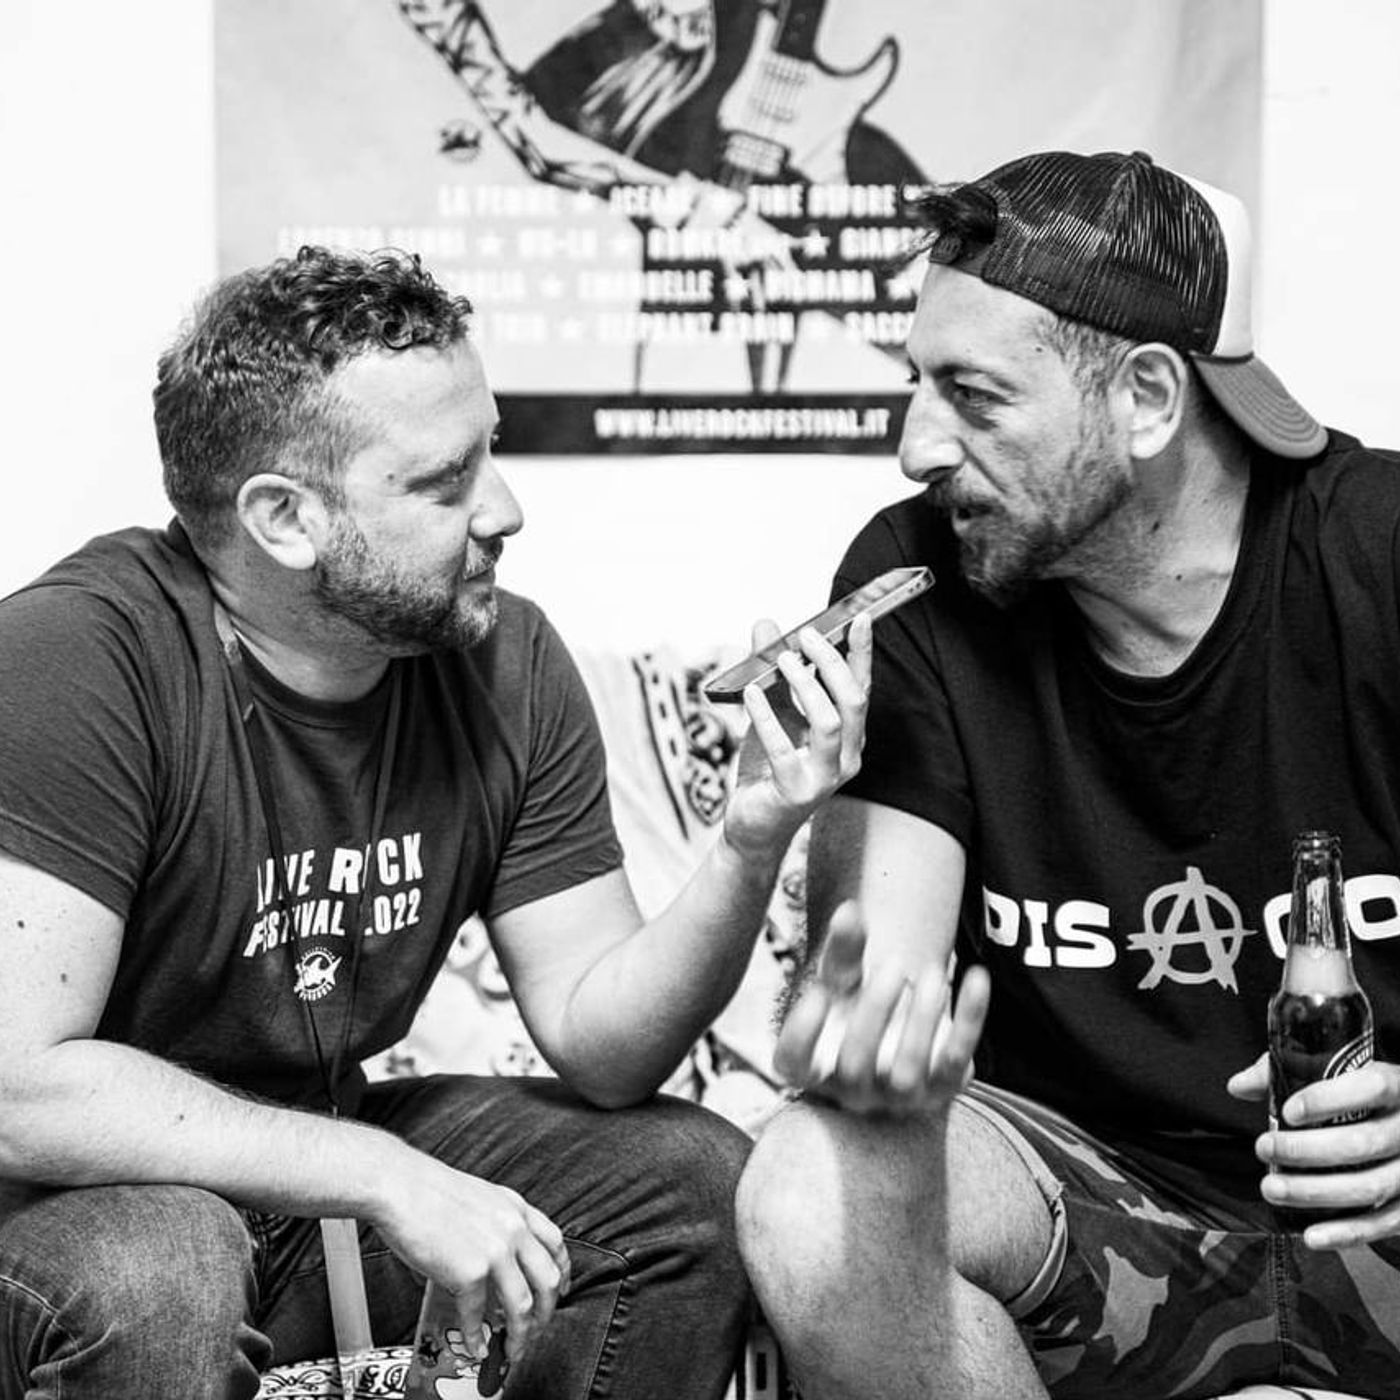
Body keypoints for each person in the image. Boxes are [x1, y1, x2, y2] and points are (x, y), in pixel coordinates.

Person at [0, 244, 869, 1399]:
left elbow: (604, 1045)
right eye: (444, 481)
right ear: (284, 518)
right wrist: (377, 1169)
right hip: (56, 1219)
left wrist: (749, 840)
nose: (505, 509)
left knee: (685, 1177)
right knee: (164, 1260)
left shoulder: (505, 661)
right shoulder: (76, 660)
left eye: (490, 451)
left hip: (297, 1199)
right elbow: (18, 1090)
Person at [733, 148, 1400, 1399]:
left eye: (972, 395)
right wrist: (858, 1036)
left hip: (1379, 1207)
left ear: (1145, 398)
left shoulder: (1377, 551)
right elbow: (874, 986)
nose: (914, 445)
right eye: (915, 382)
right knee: (813, 1176)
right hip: (1102, 1210)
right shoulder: (916, 583)